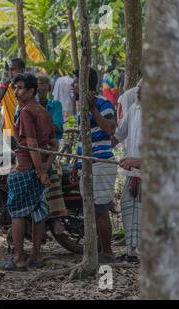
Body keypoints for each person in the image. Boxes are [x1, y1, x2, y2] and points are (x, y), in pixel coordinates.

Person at [0, 73, 57, 271]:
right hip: (38, 170)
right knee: (38, 211)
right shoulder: (43, 111)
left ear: (31, 91)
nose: (16, 91)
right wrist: (45, 168)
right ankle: (36, 256)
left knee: (17, 213)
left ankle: (19, 258)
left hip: (24, 169)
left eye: (21, 88)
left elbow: (31, 145)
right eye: (15, 87)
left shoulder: (25, 112)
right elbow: (53, 145)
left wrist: (40, 171)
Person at [71, 68, 117, 263]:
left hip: (100, 164)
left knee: (100, 210)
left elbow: (110, 129)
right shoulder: (81, 107)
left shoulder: (104, 104)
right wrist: (76, 163)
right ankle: (97, 250)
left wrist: (93, 109)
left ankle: (108, 253)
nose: (72, 85)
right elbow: (83, 139)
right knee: (91, 209)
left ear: (83, 83)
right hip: (87, 166)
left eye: (75, 81)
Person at [112, 79, 142, 263]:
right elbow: (118, 135)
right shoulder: (134, 110)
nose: (138, 92)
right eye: (138, 88)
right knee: (129, 209)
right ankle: (132, 252)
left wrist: (139, 161)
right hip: (133, 175)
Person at [37, 74, 67, 234]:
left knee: (52, 171)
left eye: (43, 83)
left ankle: (56, 218)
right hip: (32, 148)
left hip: (51, 148)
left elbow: (57, 126)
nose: (40, 86)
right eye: (37, 83)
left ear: (49, 87)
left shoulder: (55, 105)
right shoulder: (24, 106)